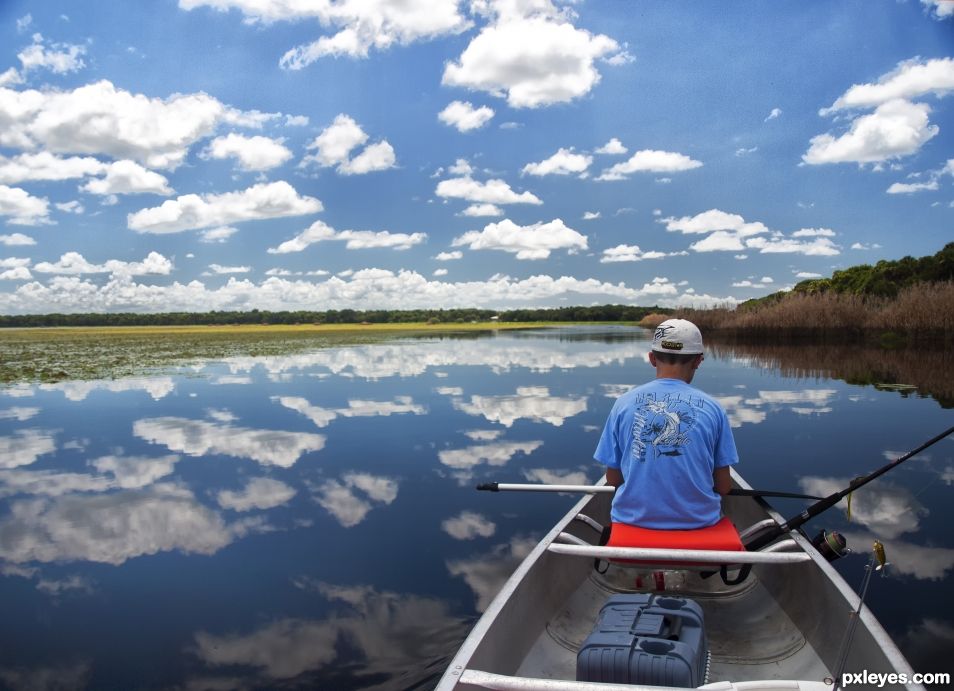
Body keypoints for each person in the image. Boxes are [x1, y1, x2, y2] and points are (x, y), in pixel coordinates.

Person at [594, 318, 739, 531]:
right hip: (700, 525)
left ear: (652, 358)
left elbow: (613, 479)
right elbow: (724, 487)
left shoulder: (622, 404)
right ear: (698, 360)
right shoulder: (713, 408)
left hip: (631, 524)